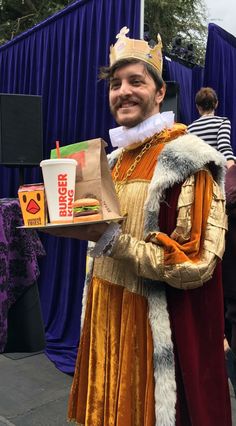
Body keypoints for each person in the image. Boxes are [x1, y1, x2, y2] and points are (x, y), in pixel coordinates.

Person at [49, 28, 231, 425]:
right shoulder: (110, 161)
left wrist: (112, 240)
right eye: (116, 84)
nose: (123, 92)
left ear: (160, 92)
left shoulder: (187, 159)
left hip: (149, 332)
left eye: (136, 81)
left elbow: (196, 262)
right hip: (104, 317)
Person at [187, 86, 235, 169]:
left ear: (197, 106)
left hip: (199, 177)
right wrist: (232, 171)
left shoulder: (190, 128)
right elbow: (224, 147)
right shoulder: (223, 122)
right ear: (216, 104)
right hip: (217, 176)